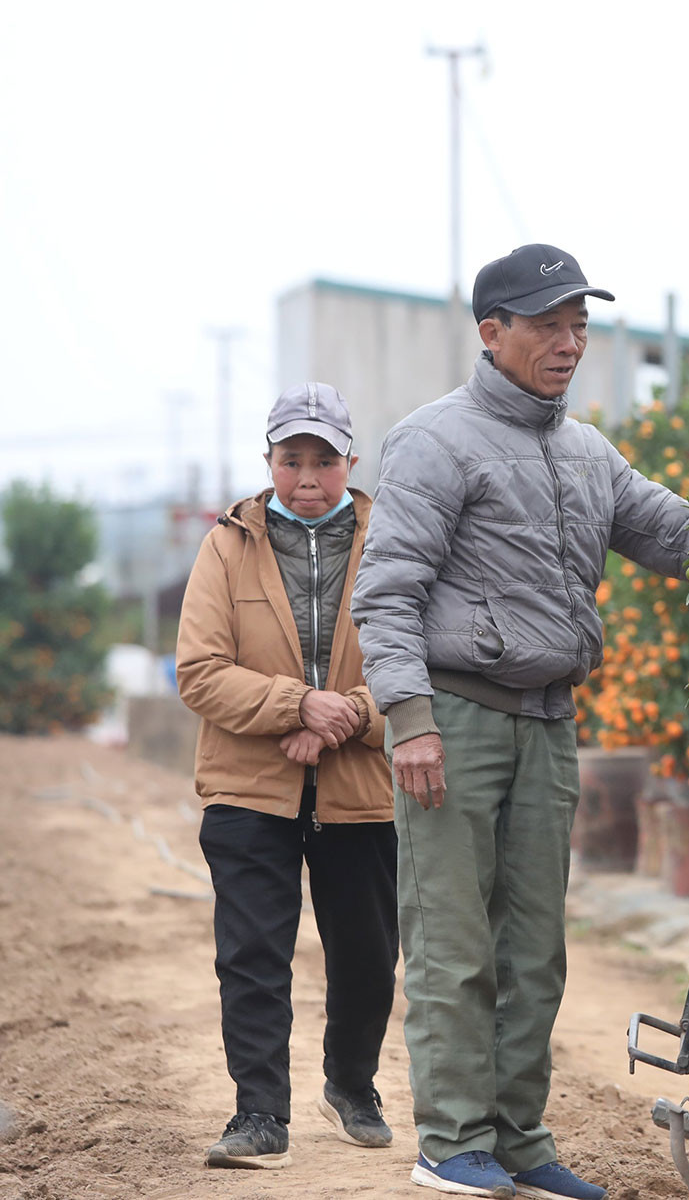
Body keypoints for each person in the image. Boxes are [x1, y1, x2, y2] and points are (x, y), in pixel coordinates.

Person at [353, 244, 689, 1200]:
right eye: (548, 323)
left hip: (550, 725)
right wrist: (410, 721)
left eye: (578, 322)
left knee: (534, 950)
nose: (570, 340)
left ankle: (519, 1140)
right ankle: (451, 1140)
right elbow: (385, 594)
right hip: (455, 722)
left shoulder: (588, 451)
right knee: (452, 940)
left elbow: (682, 538)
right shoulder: (437, 439)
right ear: (492, 332)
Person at [177, 382, 398, 1169]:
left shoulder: (394, 536)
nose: (307, 475)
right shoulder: (225, 545)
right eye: (290, 458)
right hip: (249, 787)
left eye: (323, 459)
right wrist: (298, 706)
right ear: (269, 460)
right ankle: (259, 1111)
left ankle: (352, 1082)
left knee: (369, 953)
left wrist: (347, 717)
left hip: (364, 788)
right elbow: (199, 671)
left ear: (351, 460)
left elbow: (427, 658)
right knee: (252, 953)